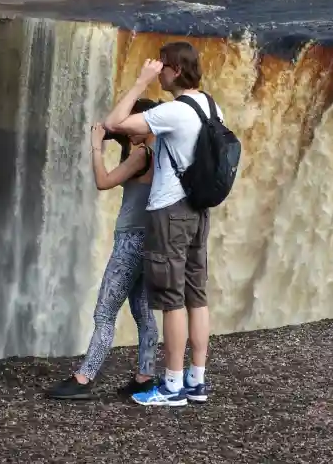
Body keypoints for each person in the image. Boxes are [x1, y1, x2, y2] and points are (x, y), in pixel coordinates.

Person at [103, 41, 221, 407]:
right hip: (198, 210)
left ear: (175, 70)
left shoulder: (173, 111)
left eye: (162, 67)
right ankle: (196, 380)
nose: (159, 74)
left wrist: (140, 81)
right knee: (196, 296)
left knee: (171, 300)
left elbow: (113, 123)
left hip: (170, 211)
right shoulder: (211, 106)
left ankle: (171, 386)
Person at [45, 98, 162, 401]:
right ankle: (146, 375)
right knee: (142, 310)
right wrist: (122, 141)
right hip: (150, 239)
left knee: (105, 312)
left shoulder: (142, 154)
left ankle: (85, 377)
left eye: (132, 126)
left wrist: (97, 146)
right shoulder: (159, 150)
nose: (128, 131)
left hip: (131, 242)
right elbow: (130, 179)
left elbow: (103, 181)